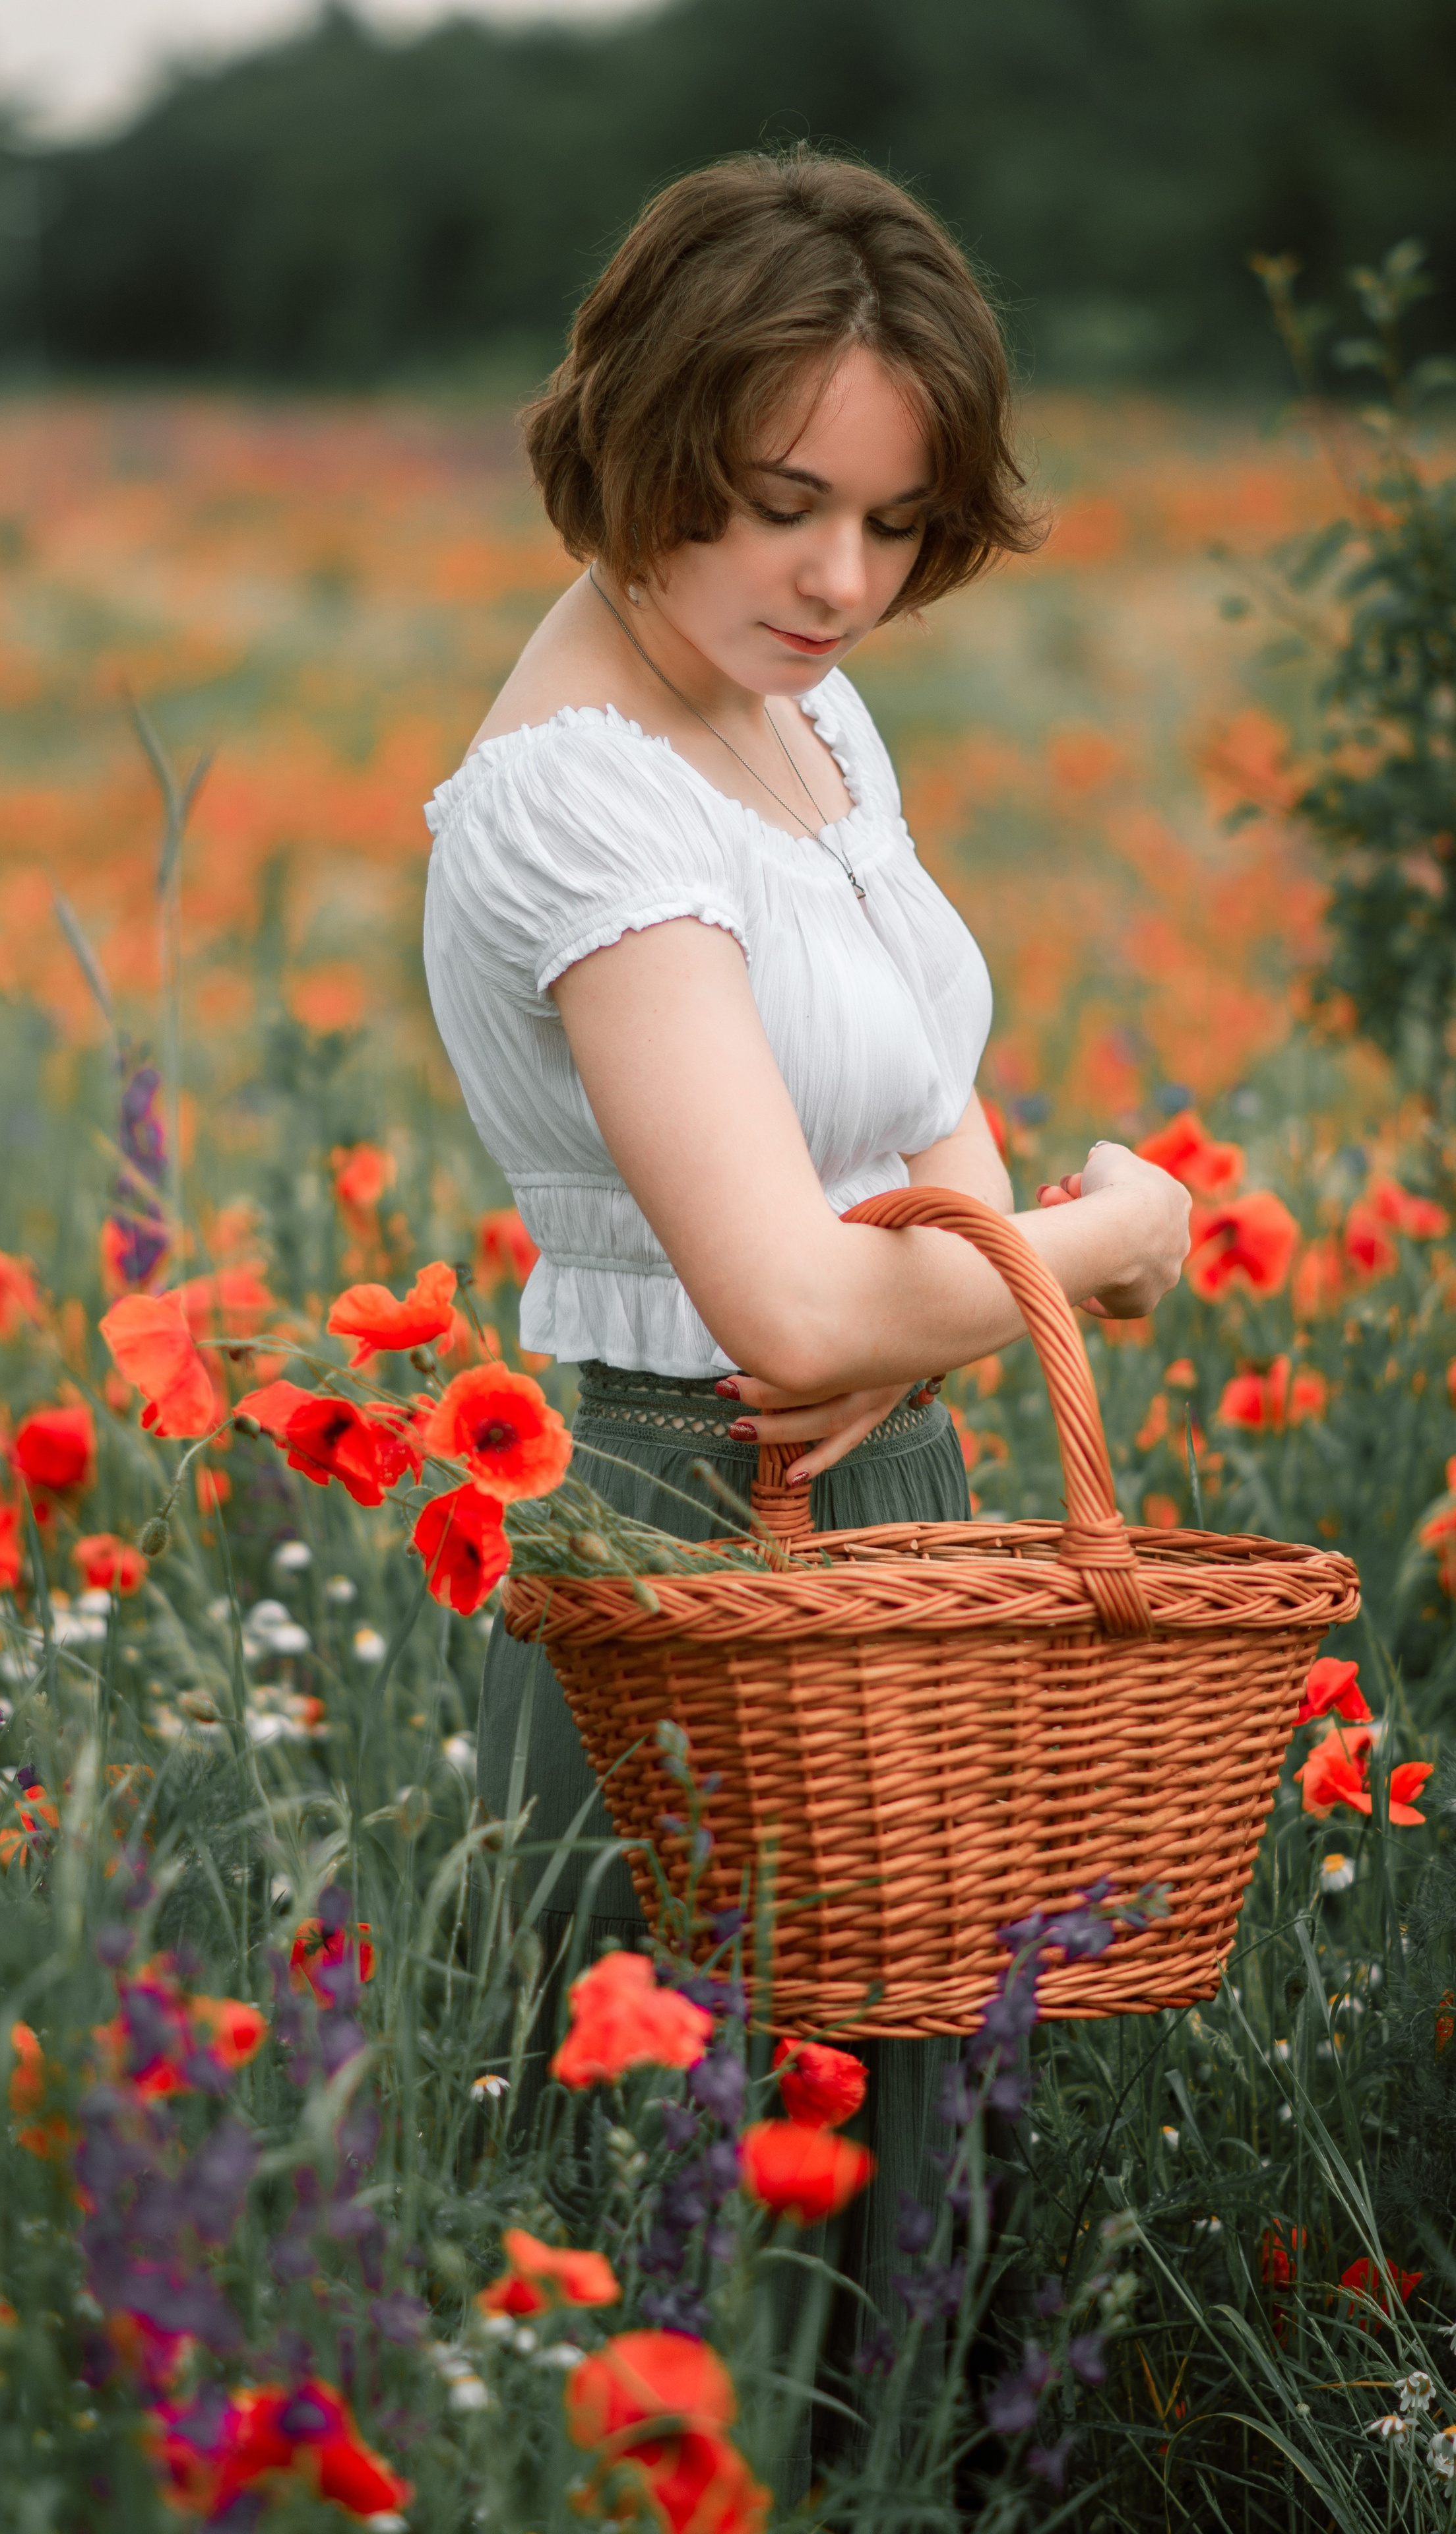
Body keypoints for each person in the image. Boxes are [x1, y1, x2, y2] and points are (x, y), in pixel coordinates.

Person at [421, 148, 1190, 2484]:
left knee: (922, 2217)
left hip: (908, 1511)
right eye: (779, 509)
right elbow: (770, 1310)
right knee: (704, 2258)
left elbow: (916, 1127)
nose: (842, 582)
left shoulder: (806, 713)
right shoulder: (580, 808)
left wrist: (959, 1282)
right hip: (683, 1530)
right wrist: (1105, 1246)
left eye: (891, 523)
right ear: (642, 442)